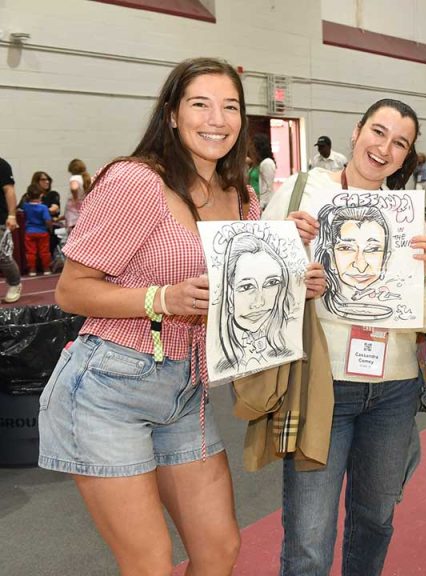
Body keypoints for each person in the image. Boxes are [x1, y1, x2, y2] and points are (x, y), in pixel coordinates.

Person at [36, 57, 326, 575]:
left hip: (186, 389)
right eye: (200, 104)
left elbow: (239, 290)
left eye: (230, 107)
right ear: (171, 114)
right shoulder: (135, 181)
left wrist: (293, 282)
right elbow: (71, 291)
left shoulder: (242, 196)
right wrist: (161, 298)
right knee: (149, 563)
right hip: (108, 387)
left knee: (219, 551)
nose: (216, 118)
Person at [262, 98, 426, 576]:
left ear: (407, 157)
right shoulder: (301, 192)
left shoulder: (406, 217)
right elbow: (251, 280)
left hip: (393, 390)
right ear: (356, 131)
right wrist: (287, 251)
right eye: (379, 132)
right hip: (322, 385)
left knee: (374, 521)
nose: (384, 148)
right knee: (309, 536)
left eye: (400, 143)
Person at [215, 230, 298, 372]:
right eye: (246, 287)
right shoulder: (221, 363)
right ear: (228, 293)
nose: (259, 302)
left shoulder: (288, 349)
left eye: (271, 283)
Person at [0, 155, 23, 302]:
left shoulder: (1, 164)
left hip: (0, 217)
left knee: (2, 255)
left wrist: (12, 215)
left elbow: (9, 190)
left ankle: (15, 283)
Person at [21, 183, 53, 276]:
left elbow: (21, 206)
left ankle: (32, 270)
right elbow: (47, 220)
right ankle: (46, 268)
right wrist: (50, 228)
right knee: (44, 251)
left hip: (29, 232)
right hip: (42, 231)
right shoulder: (43, 207)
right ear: (41, 195)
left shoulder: (26, 206)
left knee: (30, 252)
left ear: (28, 195)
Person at [253, 132, 276, 208]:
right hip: (257, 202)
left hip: (264, 205)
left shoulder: (267, 163)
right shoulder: (259, 163)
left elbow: (267, 187)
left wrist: (262, 205)